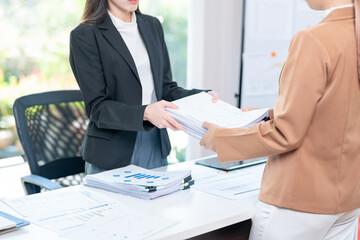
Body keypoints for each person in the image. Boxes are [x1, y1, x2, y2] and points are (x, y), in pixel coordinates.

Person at [200, 0, 360, 239]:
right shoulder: (352, 34)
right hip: (348, 200)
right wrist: (269, 115)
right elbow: (340, 110)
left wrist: (219, 138)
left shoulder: (314, 39)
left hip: (298, 203)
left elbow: (287, 134)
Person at [69, 0, 217, 175]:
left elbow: (165, 88)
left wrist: (200, 97)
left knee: (160, 203)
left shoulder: (152, 25)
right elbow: (98, 108)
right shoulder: (85, 35)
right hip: (113, 151)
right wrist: (146, 113)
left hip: (155, 143)